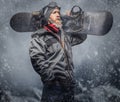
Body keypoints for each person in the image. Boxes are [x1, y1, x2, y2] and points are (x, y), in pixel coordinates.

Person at [29, 2, 87, 102]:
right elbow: (36, 58)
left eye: (58, 12)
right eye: (54, 12)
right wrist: (51, 79)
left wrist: (73, 20)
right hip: (54, 87)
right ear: (47, 17)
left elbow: (81, 37)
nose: (58, 14)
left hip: (69, 86)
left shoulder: (64, 35)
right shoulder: (40, 36)